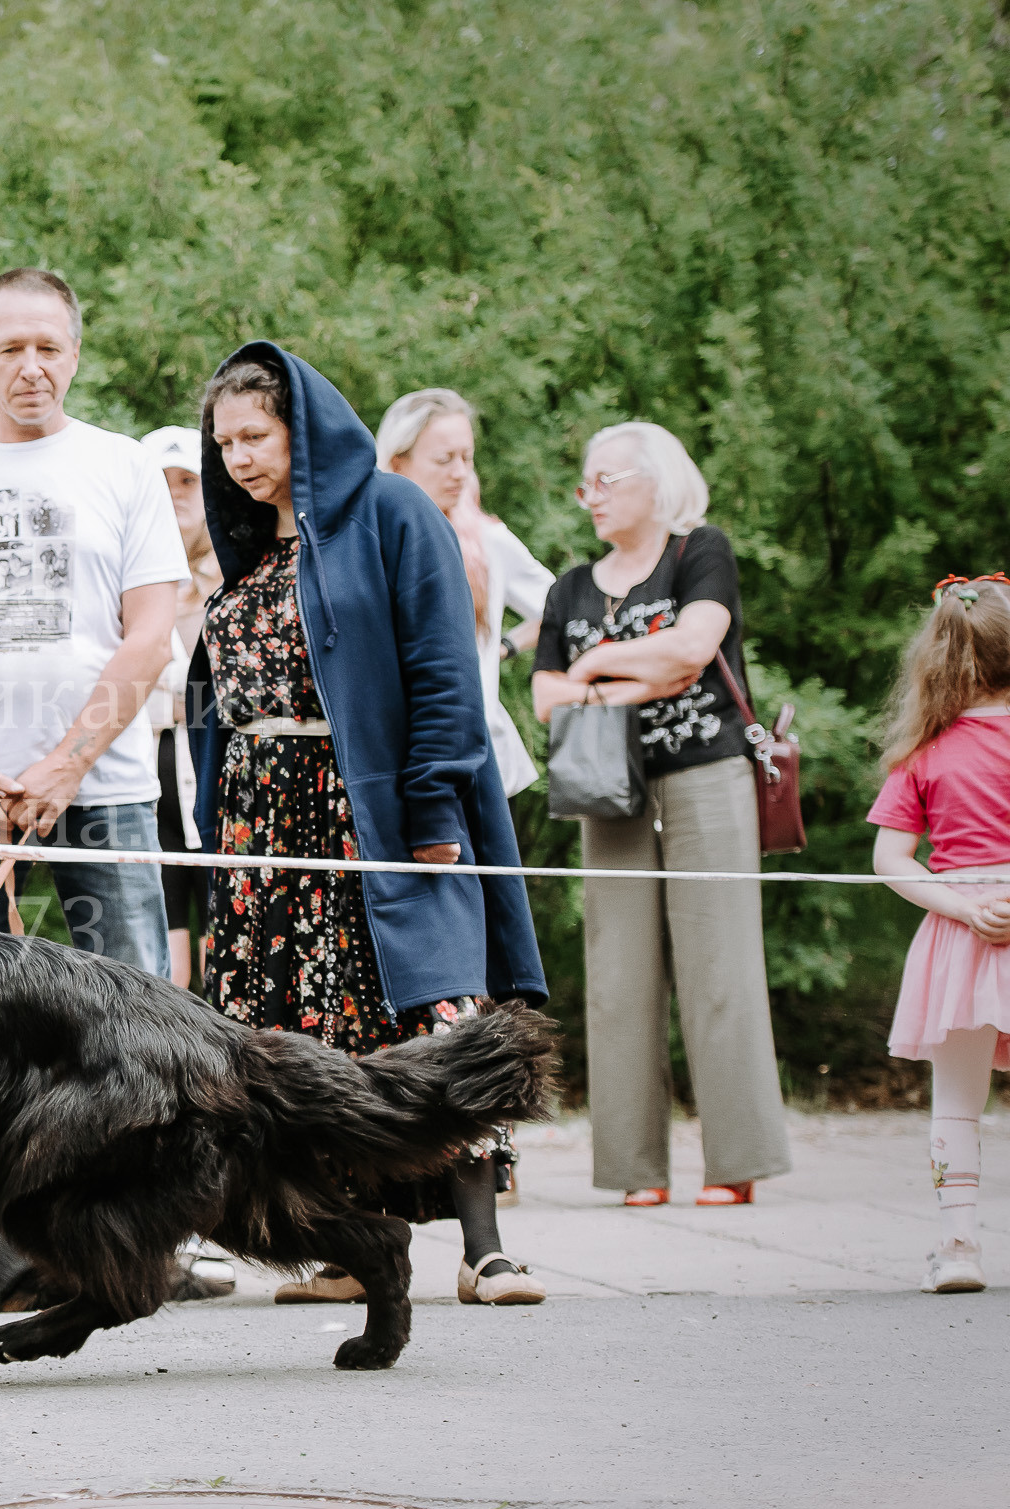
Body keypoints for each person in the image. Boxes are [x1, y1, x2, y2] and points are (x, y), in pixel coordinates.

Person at [188, 343, 549, 1308]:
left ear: (302, 427)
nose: (239, 458)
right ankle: (354, 1247)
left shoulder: (393, 513)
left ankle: (487, 1251)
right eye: (223, 443)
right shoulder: (251, 544)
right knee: (308, 1035)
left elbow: (444, 673)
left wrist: (433, 809)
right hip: (264, 828)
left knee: (435, 1010)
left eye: (255, 436)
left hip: (373, 812)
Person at [0, 268, 186, 970]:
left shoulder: (126, 465)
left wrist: (67, 766)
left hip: (106, 786)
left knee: (141, 1012)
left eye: (49, 348)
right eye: (12, 348)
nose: (31, 368)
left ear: (75, 355)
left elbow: (150, 636)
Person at [532, 421, 791, 1207]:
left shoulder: (698, 549)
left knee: (722, 964)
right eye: (586, 483)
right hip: (603, 785)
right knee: (617, 976)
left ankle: (733, 1163)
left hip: (707, 772)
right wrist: (638, 673)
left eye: (607, 480)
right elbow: (547, 699)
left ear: (657, 480)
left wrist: (599, 663)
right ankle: (634, 1170)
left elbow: (693, 647)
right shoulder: (569, 585)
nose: (592, 496)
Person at [868, 573, 1010, 1294]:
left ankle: (959, 1244)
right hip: (978, 930)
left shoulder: (925, 751)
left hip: (960, 943)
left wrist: (960, 905)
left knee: (957, 1098)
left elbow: (889, 860)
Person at [374, 388, 556, 793]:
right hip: (386, 757)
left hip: (470, 757)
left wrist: (503, 645)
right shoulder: (366, 544)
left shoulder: (489, 541)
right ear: (397, 464)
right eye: (444, 459)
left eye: (467, 457)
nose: (460, 473)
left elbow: (564, 607)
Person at [141, 426, 225, 988]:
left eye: (188, 481)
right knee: (164, 955)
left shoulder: (237, 581)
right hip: (148, 787)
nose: (175, 494)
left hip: (216, 779)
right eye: (161, 482)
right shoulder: (131, 585)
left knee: (226, 937)